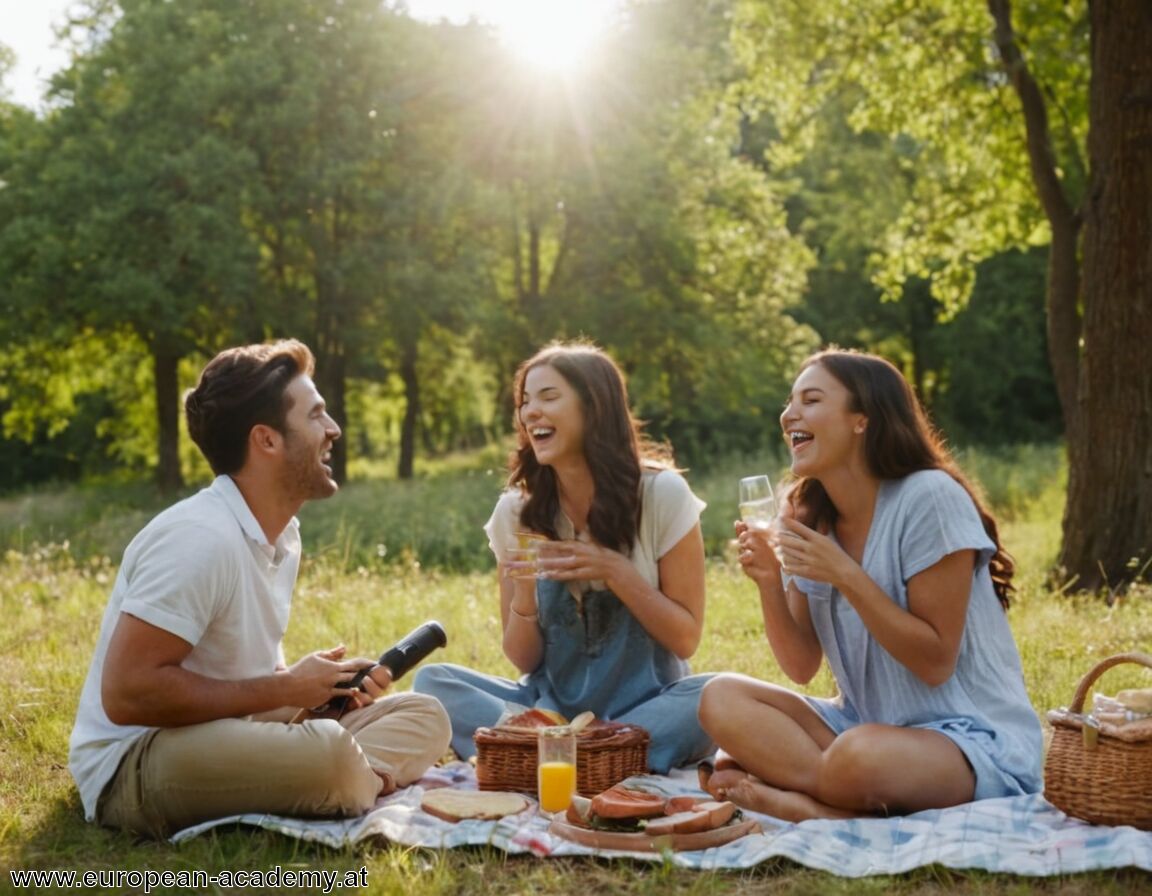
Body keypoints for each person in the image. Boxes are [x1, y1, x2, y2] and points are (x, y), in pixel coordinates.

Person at [69, 339, 451, 838]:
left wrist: (315, 696)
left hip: (230, 735)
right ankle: (344, 779)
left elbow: (240, 683)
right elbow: (127, 693)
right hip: (138, 764)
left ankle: (352, 782)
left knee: (426, 715)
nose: (333, 429)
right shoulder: (199, 538)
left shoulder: (281, 536)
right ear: (267, 440)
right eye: (316, 416)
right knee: (329, 755)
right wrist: (286, 688)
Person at [698, 348, 1043, 821]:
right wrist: (768, 583)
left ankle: (809, 806)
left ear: (863, 419)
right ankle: (833, 789)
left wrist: (844, 573)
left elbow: (935, 661)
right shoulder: (806, 514)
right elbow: (800, 665)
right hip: (862, 724)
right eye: (790, 401)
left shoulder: (929, 499)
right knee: (720, 698)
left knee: (856, 757)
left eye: (811, 400)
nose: (789, 415)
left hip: (967, 738)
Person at [413, 341, 714, 772]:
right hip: (548, 714)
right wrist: (523, 594)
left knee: (714, 697)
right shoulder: (516, 513)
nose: (530, 411)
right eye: (524, 401)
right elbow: (524, 660)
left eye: (549, 397)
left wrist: (614, 570)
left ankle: (551, 755)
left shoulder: (661, 496)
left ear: (594, 407)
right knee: (432, 682)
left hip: (647, 709)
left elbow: (686, 639)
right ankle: (584, 754)